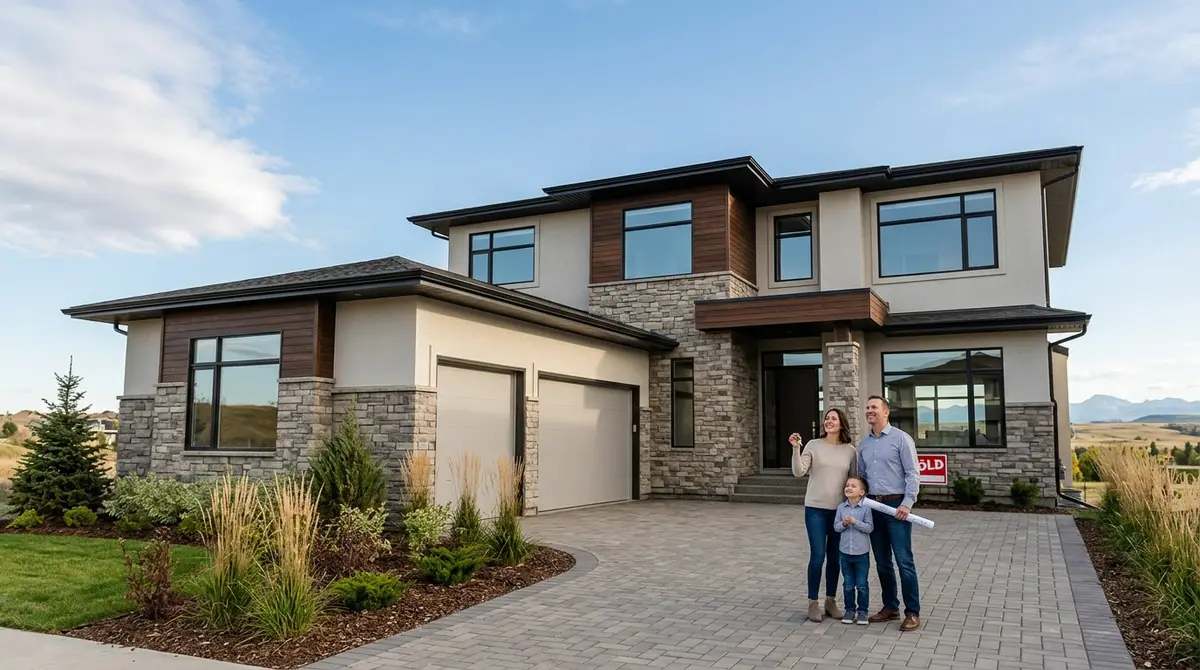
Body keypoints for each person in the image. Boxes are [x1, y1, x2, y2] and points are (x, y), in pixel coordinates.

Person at [857, 394, 922, 631]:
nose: (869, 410)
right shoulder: (864, 444)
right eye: (867, 407)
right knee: (882, 562)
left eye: (874, 407)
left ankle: (912, 612)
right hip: (873, 507)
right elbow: (861, 476)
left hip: (897, 507)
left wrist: (907, 503)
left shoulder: (901, 439)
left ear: (886, 412)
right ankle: (890, 606)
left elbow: (912, 473)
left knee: (904, 561)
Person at [789, 407, 858, 623]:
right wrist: (796, 449)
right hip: (815, 510)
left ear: (841, 424)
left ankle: (830, 601)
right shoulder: (813, 445)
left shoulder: (850, 451)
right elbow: (799, 471)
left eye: (833, 418)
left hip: (839, 512)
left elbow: (854, 482)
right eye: (827, 418)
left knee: (835, 558)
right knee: (818, 556)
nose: (829, 421)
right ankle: (813, 602)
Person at [833, 475, 874, 625]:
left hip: (861, 553)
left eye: (853, 486)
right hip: (845, 553)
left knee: (862, 584)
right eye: (847, 485)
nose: (848, 488)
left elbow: (869, 528)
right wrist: (843, 524)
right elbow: (836, 527)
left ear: (862, 492)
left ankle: (863, 612)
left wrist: (856, 522)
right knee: (848, 584)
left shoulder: (866, 508)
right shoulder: (841, 508)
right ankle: (849, 610)